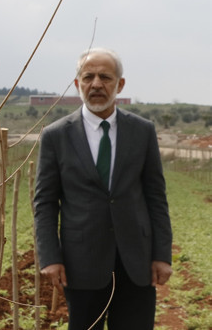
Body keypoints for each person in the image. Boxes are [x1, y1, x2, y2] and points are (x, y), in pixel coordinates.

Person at [34, 48, 172, 329]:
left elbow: (155, 196)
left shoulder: (142, 131)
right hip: (81, 263)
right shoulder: (56, 136)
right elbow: (45, 203)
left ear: (119, 84)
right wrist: (50, 257)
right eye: (88, 77)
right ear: (77, 84)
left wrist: (161, 254)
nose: (96, 84)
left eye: (105, 77)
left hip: (136, 262)